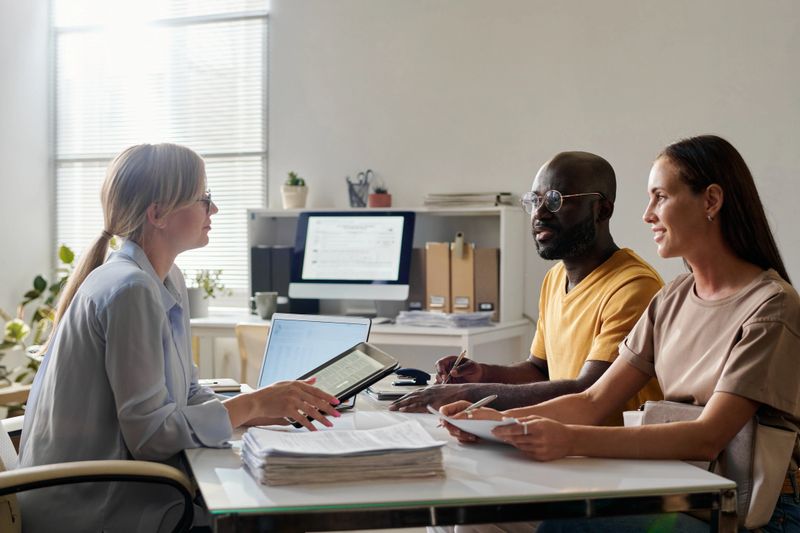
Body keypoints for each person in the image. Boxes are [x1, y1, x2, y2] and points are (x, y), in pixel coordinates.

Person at [441, 135, 800, 532]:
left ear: (711, 201)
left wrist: (568, 440)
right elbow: (592, 399)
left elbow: (706, 437)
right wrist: (496, 422)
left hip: (745, 514)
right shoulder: (673, 297)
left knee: (567, 526)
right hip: (672, 486)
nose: (647, 214)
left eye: (660, 196)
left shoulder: (772, 307)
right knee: (474, 517)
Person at [17, 144, 342, 532]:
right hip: (95, 507)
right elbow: (152, 437)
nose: (214, 210)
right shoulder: (129, 289)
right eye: (204, 199)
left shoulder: (166, 279)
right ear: (158, 214)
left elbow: (185, 391)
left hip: (121, 487)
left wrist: (257, 411)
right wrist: (249, 405)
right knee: (269, 515)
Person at [391, 151, 663, 421]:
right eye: (535, 200)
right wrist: (484, 373)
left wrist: (470, 393)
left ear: (601, 210)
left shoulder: (633, 287)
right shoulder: (555, 278)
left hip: (612, 453)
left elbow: (589, 391)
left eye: (555, 200)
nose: (539, 214)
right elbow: (538, 369)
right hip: (559, 440)